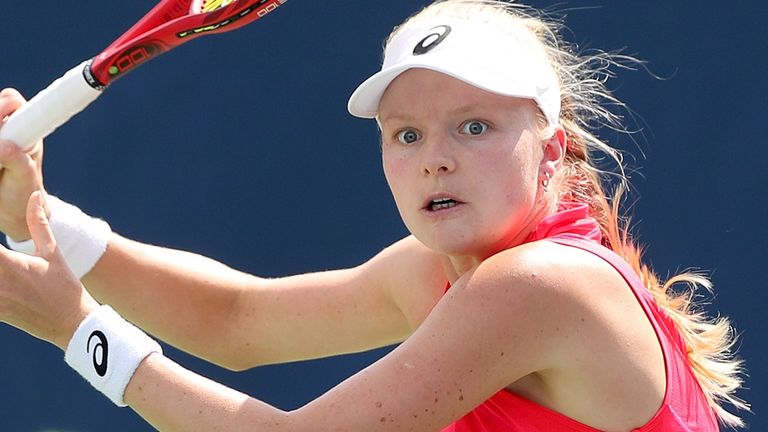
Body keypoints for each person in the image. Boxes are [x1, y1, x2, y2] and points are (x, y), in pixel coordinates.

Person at [0, 1, 748, 430]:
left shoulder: (542, 284)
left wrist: (79, 332)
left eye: (475, 126)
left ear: (553, 151)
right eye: (407, 134)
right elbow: (236, 323)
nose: (435, 159)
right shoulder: (443, 272)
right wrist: (36, 213)